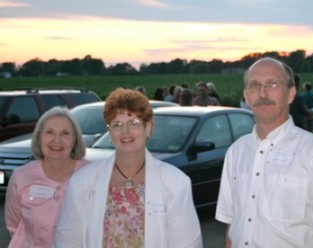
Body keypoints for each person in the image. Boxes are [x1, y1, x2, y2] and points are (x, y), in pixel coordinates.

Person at [215, 57, 313, 248]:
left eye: (272, 84)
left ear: (290, 94)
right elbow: (232, 228)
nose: (262, 93)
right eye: (254, 85)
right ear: (246, 96)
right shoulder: (236, 152)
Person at [54, 88, 202, 247]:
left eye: (134, 123)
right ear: (110, 131)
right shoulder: (82, 181)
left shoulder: (176, 182)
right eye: (117, 124)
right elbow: (68, 241)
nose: (125, 131)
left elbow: (187, 244)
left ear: (149, 128)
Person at [5, 106, 89, 247]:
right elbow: (14, 224)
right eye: (49, 132)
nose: (57, 140)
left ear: (75, 139)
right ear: (39, 138)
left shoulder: (92, 174)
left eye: (65, 133)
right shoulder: (21, 176)